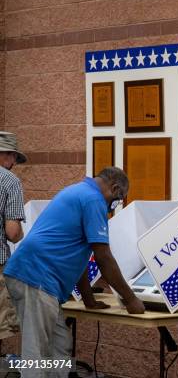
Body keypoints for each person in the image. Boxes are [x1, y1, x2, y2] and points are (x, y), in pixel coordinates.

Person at [3, 167, 145, 377]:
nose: (114, 207)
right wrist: (131, 299)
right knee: (37, 354)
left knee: (60, 344)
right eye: (118, 200)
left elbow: (78, 258)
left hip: (33, 276)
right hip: (36, 277)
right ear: (114, 188)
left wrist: (89, 299)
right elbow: (103, 257)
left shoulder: (79, 192)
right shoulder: (93, 200)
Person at [0, 132, 27, 344]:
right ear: (7, 155)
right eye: (15, 159)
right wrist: (21, 233)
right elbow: (12, 232)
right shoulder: (10, 181)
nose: (14, 164)